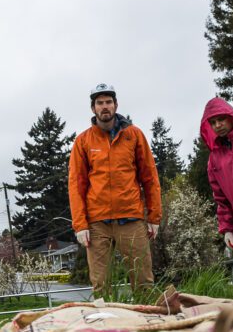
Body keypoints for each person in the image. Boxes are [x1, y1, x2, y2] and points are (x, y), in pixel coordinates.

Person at [68, 83, 162, 293]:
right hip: (97, 223)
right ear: (93, 108)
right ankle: (104, 323)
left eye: (108, 102)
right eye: (99, 103)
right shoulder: (83, 141)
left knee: (143, 281)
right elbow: (76, 185)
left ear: (116, 105)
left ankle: (146, 324)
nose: (104, 107)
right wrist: (80, 224)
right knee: (101, 284)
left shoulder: (134, 135)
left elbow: (149, 177)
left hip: (131, 218)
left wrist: (154, 217)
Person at [201, 98, 233, 251]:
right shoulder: (214, 160)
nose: (217, 125)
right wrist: (227, 229)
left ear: (231, 116)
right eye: (212, 122)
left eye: (221, 119)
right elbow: (221, 199)